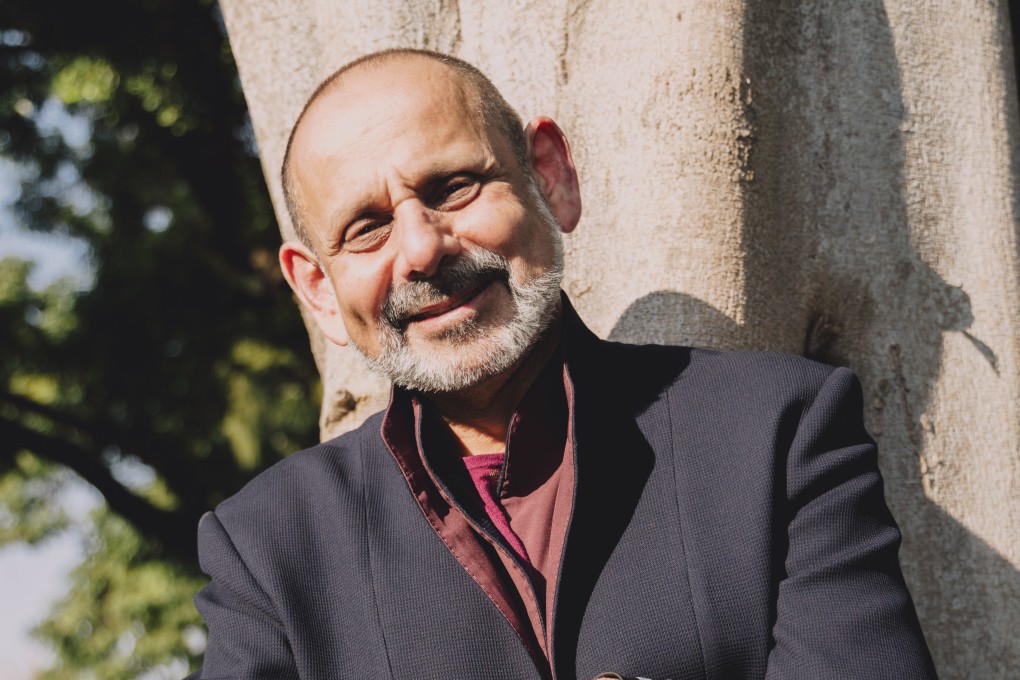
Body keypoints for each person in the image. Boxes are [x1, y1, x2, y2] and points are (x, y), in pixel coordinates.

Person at [190, 48, 937, 679]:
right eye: (366, 228)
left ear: (548, 177)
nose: (421, 250)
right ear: (318, 290)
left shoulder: (778, 435)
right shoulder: (268, 550)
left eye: (453, 187)